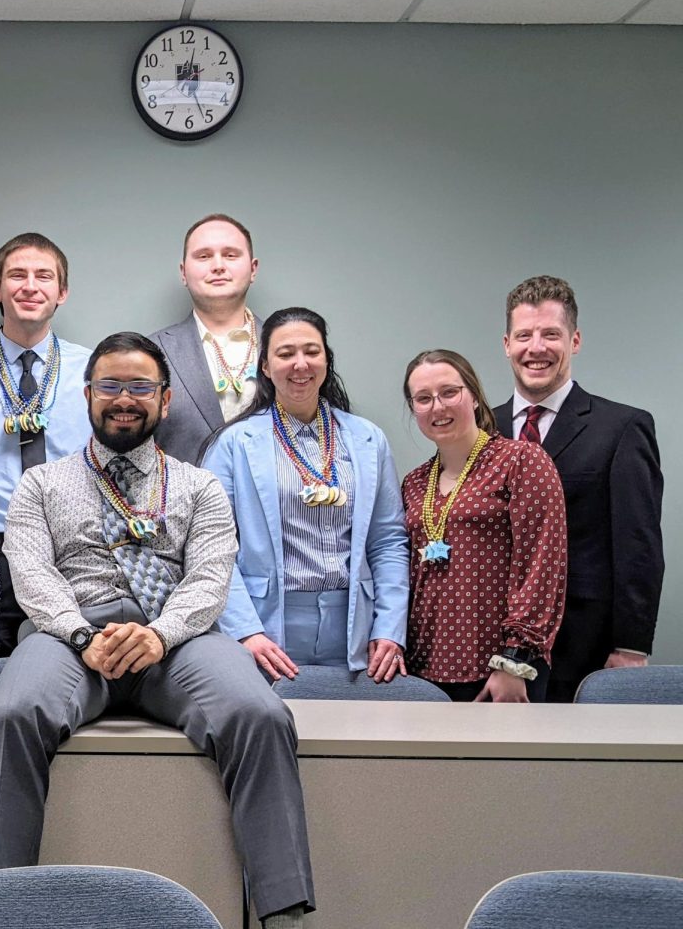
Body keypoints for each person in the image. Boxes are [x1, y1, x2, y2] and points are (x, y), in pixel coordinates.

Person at [0, 333, 314, 928]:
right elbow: (30, 574)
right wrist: (81, 636)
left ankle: (283, 910)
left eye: (139, 387)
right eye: (110, 385)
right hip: (69, 638)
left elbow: (210, 579)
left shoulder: (199, 486)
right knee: (12, 715)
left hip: (177, 639)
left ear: (165, 399)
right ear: (87, 395)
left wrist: (160, 635)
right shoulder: (40, 485)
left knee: (261, 714)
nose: (123, 398)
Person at [203, 308, 409, 683]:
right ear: (265, 366)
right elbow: (212, 549)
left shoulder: (367, 439)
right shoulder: (234, 444)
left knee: (352, 733)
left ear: (327, 360)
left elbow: (389, 542)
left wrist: (389, 628)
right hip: (267, 625)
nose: (300, 364)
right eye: (285, 354)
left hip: (355, 625)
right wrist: (246, 630)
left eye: (311, 351)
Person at [494, 276, 664, 702]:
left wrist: (631, 646)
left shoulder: (622, 428)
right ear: (506, 344)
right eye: (524, 336)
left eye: (551, 334)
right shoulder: (481, 428)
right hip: (488, 647)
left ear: (575, 340)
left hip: (584, 647)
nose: (536, 348)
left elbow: (638, 543)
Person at [0, 233, 91, 653]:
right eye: (17, 275)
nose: (30, 286)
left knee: (67, 669)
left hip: (72, 547)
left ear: (61, 292)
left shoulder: (93, 371)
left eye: (43, 276)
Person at [401, 349, 566, 702]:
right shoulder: (414, 483)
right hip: (424, 670)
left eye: (449, 392)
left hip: (500, 671)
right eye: (423, 398)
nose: (438, 407)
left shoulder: (521, 461)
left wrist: (513, 660)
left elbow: (541, 566)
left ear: (474, 396)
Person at [150, 213, 261, 465]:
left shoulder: (290, 349)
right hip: (182, 502)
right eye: (204, 256)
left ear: (253, 269)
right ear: (183, 271)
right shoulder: (150, 353)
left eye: (231, 255)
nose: (218, 265)